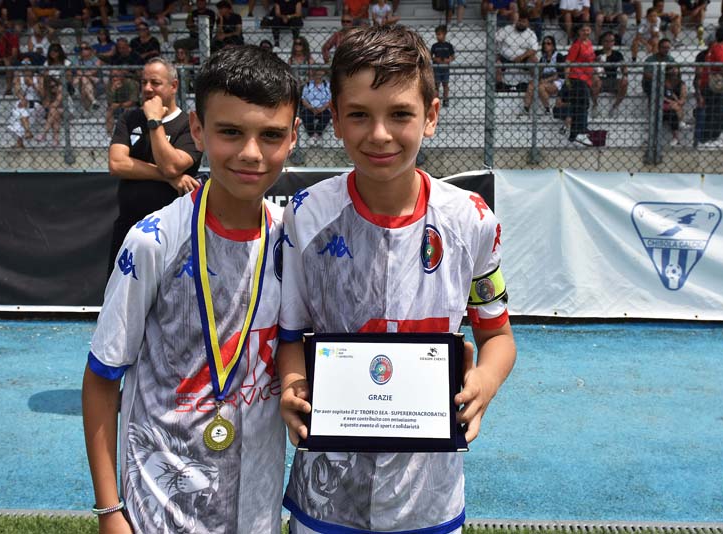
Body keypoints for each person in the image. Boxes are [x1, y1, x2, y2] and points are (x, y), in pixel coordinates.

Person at [278, 24, 516, 534]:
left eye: (400, 114)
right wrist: (294, 385)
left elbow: (497, 336)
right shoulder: (305, 215)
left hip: (430, 500)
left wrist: (485, 381)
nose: (380, 134)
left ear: (431, 116)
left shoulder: (472, 220)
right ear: (335, 119)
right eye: (359, 114)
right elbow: (290, 336)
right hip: (327, 499)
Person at [83, 45, 299, 534]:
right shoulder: (153, 241)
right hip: (158, 510)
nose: (250, 152)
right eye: (230, 132)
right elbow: (101, 377)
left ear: (292, 137)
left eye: (270, 135)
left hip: (255, 511)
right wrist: (109, 511)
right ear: (198, 130)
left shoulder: (292, 240)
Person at [106, 57, 203, 274]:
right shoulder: (129, 118)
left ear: (174, 86)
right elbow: (117, 163)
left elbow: (172, 166)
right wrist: (168, 178)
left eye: (155, 83)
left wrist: (154, 121)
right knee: (120, 292)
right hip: (129, 228)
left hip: (172, 232)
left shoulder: (189, 125)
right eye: (144, 82)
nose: (148, 88)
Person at [695, 25, 723, 147]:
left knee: (715, 111)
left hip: (711, 83)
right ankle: (708, 139)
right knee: (716, 112)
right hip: (713, 84)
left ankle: (707, 139)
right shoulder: (719, 48)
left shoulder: (716, 48)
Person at [563, 24, 595, 145]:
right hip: (577, 78)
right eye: (583, 30)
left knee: (578, 105)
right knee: (583, 104)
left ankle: (574, 135)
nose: (586, 32)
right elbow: (568, 62)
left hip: (586, 78)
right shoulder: (576, 45)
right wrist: (567, 81)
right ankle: (581, 132)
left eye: (588, 30)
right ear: (579, 32)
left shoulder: (589, 43)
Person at [523, 34, 565, 114]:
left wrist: (546, 80)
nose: (546, 45)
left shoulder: (558, 56)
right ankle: (526, 108)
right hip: (545, 79)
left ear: (553, 46)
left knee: (540, 87)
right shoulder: (543, 58)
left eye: (548, 43)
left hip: (557, 80)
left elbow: (560, 74)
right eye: (544, 44)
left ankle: (547, 109)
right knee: (531, 85)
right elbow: (540, 74)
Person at [495, 11, 538, 86]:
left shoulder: (531, 34)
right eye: (519, 21)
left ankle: (534, 84)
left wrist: (521, 57)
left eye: (524, 22)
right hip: (505, 58)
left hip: (523, 59)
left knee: (534, 59)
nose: (521, 23)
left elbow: (534, 49)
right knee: (496, 61)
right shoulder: (508, 29)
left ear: (528, 23)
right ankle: (499, 85)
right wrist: (497, 52)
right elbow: (495, 39)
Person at [591, 31, 627, 117]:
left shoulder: (617, 54)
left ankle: (615, 106)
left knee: (624, 81)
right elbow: (590, 67)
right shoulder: (596, 53)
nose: (609, 43)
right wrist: (596, 62)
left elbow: (624, 66)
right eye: (606, 41)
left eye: (611, 41)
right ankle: (595, 105)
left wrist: (625, 72)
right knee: (596, 79)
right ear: (602, 42)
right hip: (599, 79)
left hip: (612, 80)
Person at [300, 67, 332, 140]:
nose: (318, 75)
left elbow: (330, 100)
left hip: (323, 108)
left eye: (320, 73)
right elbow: (303, 99)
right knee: (306, 115)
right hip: (310, 108)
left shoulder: (327, 85)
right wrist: (311, 108)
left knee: (326, 115)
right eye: (316, 73)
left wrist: (322, 108)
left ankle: (317, 134)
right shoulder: (308, 85)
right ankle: (311, 134)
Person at [105, 69, 139, 135]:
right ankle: (109, 134)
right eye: (112, 76)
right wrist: (113, 89)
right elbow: (109, 102)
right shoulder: (110, 84)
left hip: (129, 106)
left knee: (128, 110)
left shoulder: (131, 83)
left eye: (117, 76)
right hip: (116, 107)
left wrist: (120, 105)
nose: (114, 78)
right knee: (109, 110)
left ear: (122, 76)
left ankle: (129, 132)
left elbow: (133, 101)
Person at [72, 41, 102, 112]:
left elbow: (92, 72)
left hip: (95, 84)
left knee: (83, 83)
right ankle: (93, 101)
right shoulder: (76, 59)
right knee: (84, 80)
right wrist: (90, 76)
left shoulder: (96, 60)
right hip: (83, 82)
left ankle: (86, 110)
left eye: (86, 48)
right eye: (81, 49)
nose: (83, 50)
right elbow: (78, 71)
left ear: (90, 50)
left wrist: (87, 75)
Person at [662, 65, 687, 145]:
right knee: (672, 109)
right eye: (671, 69)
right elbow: (660, 97)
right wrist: (670, 102)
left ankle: (675, 138)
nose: (674, 71)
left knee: (673, 112)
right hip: (663, 106)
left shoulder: (681, 84)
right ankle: (680, 120)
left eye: (676, 69)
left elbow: (683, 99)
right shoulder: (662, 83)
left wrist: (676, 103)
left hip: (675, 106)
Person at [431, 24, 455, 107]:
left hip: (445, 68)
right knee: (436, 85)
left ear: (444, 34)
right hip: (437, 68)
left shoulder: (449, 46)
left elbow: (453, 57)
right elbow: (431, 56)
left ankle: (445, 99)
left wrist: (448, 60)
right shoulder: (434, 46)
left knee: (445, 84)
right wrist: (435, 59)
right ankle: (436, 101)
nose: (437, 36)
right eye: (436, 35)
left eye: (439, 34)